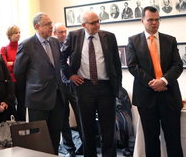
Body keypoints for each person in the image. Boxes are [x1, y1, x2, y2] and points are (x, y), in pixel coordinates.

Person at [60, 11, 122, 157]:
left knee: (108, 129)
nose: (97, 25)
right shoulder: (74, 36)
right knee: (86, 128)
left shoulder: (109, 37)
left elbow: (116, 64)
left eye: (98, 21)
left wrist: (117, 87)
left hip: (106, 87)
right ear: (84, 25)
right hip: (84, 87)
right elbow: (61, 58)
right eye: (93, 23)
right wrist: (71, 75)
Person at [126, 6, 183, 157]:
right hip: (146, 98)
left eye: (157, 19)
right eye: (150, 20)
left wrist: (163, 81)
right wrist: (153, 82)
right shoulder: (133, 41)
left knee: (173, 140)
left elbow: (178, 65)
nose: (154, 23)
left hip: (170, 96)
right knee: (151, 141)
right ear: (142, 20)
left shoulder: (170, 40)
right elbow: (132, 66)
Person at [14, 13, 65, 154]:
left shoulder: (55, 42)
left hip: (57, 96)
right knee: (39, 138)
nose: (51, 26)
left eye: (51, 23)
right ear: (37, 26)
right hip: (37, 99)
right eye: (47, 24)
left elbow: (57, 67)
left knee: (55, 136)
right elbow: (19, 73)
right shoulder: (26, 45)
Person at [53, 22, 83, 157]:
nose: (64, 34)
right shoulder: (52, 47)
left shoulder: (71, 44)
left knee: (81, 116)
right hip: (60, 87)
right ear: (54, 33)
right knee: (63, 119)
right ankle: (69, 149)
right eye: (60, 32)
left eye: (65, 31)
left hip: (73, 85)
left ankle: (84, 145)